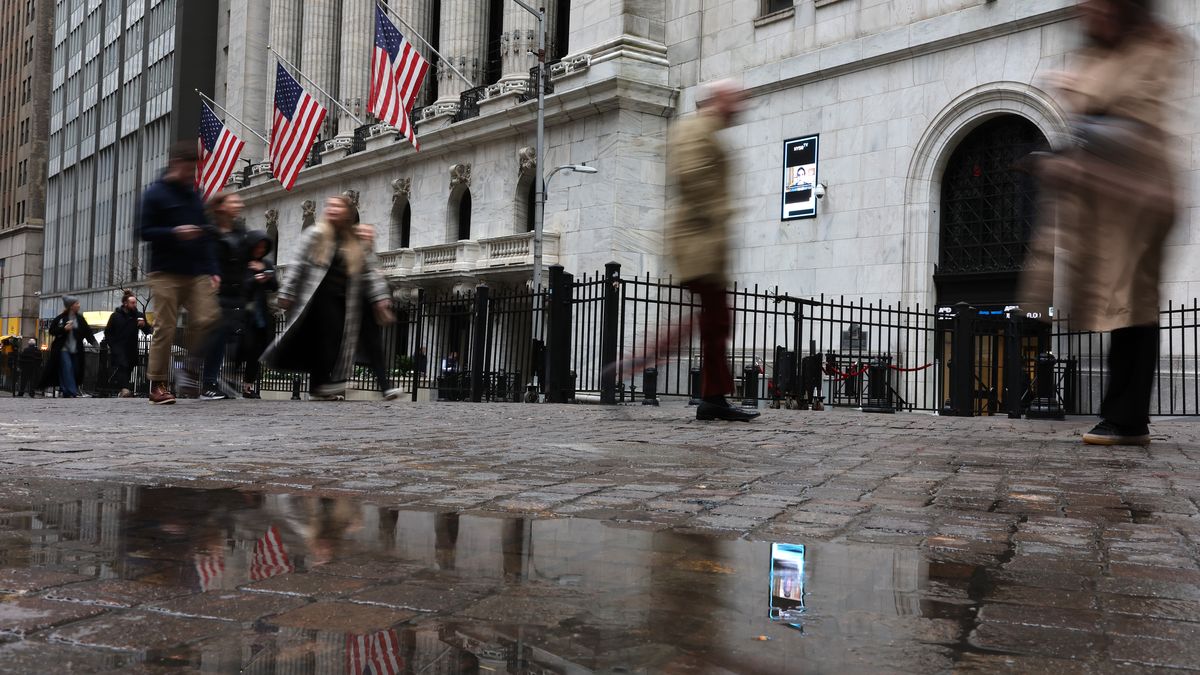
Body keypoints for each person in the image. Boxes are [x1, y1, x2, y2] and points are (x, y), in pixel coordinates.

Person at [1022, 0, 1181, 446]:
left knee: (1133, 303)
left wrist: (1080, 112)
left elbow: (1136, 127)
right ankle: (1124, 417)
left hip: (1140, 198)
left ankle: (1127, 419)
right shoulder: (1097, 54)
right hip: (1110, 200)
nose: (1090, 11)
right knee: (1119, 303)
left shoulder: (1150, 48)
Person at [664, 80, 758, 422]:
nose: (741, 106)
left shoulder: (709, 131)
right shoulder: (695, 130)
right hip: (697, 240)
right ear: (718, 100)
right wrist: (720, 212)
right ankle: (635, 363)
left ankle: (714, 397)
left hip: (707, 241)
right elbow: (691, 177)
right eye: (736, 100)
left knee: (715, 322)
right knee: (713, 320)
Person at [261, 196, 392, 400]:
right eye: (330, 206)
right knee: (326, 338)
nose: (332, 209)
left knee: (335, 340)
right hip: (317, 297)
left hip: (344, 300)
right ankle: (321, 384)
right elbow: (297, 264)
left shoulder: (353, 241)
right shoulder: (315, 234)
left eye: (337, 206)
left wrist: (380, 297)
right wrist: (287, 292)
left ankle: (320, 387)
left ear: (348, 212)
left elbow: (368, 272)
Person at [138, 141, 220, 405]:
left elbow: (206, 234)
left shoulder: (193, 196)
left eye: (194, 170)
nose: (192, 175)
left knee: (209, 318)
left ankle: (189, 367)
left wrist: (212, 270)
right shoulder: (155, 194)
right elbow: (143, 230)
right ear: (176, 165)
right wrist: (174, 232)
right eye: (188, 169)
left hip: (195, 270)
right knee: (166, 326)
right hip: (165, 271)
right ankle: (157, 384)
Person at [200, 192, 249, 401]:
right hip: (214, 290)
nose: (240, 204)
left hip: (236, 290)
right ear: (221, 207)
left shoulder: (239, 230)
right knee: (218, 334)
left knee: (234, 334)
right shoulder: (210, 231)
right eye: (234, 201)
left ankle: (220, 379)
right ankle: (208, 382)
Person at [352, 220, 402, 400]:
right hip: (350, 305)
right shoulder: (353, 252)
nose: (367, 236)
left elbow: (375, 279)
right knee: (341, 346)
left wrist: (381, 298)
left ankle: (385, 387)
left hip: (366, 304)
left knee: (374, 347)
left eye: (369, 233)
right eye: (363, 233)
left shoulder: (369, 254)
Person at [238, 230, 278, 399]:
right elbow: (239, 287)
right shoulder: (242, 264)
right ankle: (229, 379)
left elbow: (275, 286)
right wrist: (255, 279)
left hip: (261, 314)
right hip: (243, 313)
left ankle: (248, 386)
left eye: (264, 247)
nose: (260, 250)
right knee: (244, 348)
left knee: (257, 351)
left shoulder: (266, 264)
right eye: (258, 246)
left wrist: (266, 275)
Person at [41, 296, 97, 398]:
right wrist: (64, 329)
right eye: (76, 303)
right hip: (63, 349)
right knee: (67, 367)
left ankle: (66, 390)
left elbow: (87, 331)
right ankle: (72, 391)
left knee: (75, 369)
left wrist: (94, 342)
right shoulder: (61, 318)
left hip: (76, 349)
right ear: (71, 306)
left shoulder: (80, 319)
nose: (79, 305)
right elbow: (52, 330)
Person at [103, 291, 152, 397]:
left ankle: (123, 389)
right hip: (118, 346)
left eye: (135, 303)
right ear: (125, 303)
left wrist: (143, 325)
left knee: (128, 367)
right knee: (123, 366)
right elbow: (108, 332)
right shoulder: (115, 316)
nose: (135, 305)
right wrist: (111, 344)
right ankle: (125, 389)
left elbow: (148, 330)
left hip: (131, 347)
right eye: (132, 303)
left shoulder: (139, 316)